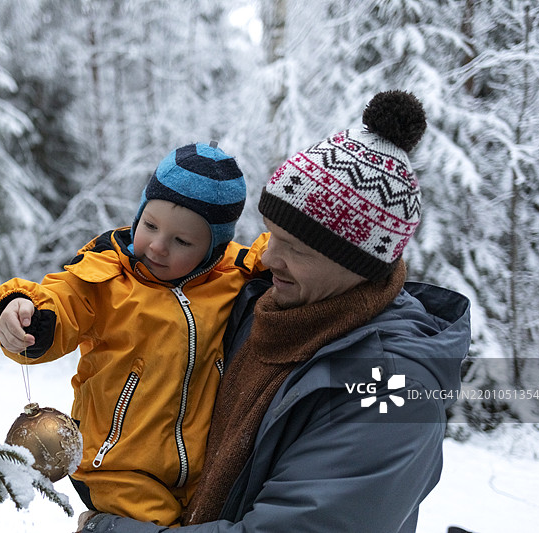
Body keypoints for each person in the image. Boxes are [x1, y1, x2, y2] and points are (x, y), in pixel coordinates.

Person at [79, 91, 472, 532]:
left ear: (356, 264)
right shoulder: (264, 306)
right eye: (271, 235)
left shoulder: (392, 391)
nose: (266, 259)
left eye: (294, 248)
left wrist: (109, 529)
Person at [0, 142, 268, 526]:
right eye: (150, 225)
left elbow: (281, 253)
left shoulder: (233, 275)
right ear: (139, 212)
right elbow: (63, 298)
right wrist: (22, 311)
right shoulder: (108, 277)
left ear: (214, 247)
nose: (157, 245)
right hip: (118, 465)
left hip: (203, 466)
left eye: (182, 241)